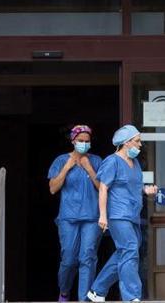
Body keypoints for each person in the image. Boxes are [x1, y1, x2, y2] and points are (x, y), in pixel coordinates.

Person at [86, 125, 158, 303]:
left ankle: (96, 291)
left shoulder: (135, 164)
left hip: (133, 216)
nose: (140, 145)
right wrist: (103, 215)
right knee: (130, 250)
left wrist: (146, 190)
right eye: (137, 141)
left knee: (123, 252)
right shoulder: (112, 161)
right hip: (118, 215)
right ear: (126, 143)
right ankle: (131, 296)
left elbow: (131, 186)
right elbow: (103, 188)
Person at [48, 124, 103, 302]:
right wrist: (67, 167)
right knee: (69, 259)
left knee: (87, 257)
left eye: (87, 141)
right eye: (80, 141)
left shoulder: (96, 161)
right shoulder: (60, 160)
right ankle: (64, 291)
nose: (84, 144)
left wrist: (89, 169)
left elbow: (103, 188)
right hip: (68, 218)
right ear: (73, 140)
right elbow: (53, 189)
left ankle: (84, 299)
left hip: (92, 217)